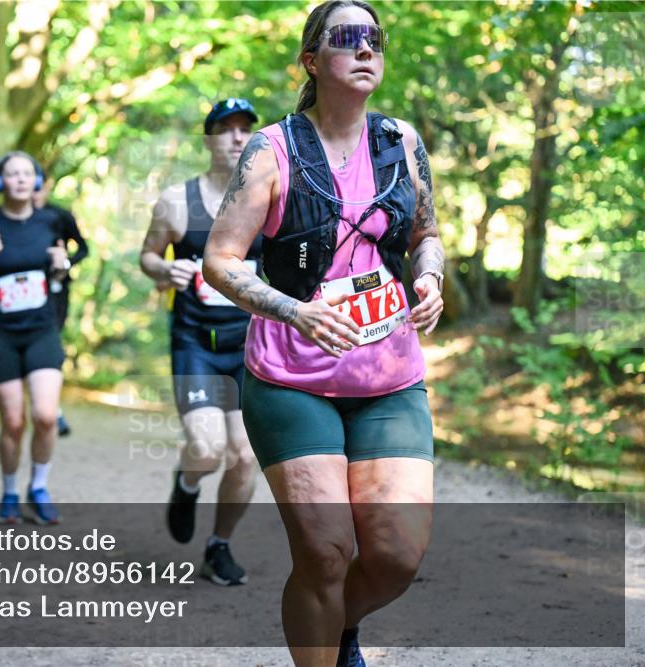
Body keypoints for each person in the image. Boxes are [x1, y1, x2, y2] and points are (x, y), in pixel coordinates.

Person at [201, 2, 445, 665]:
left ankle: (336, 626)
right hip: (291, 378)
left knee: (395, 555)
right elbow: (220, 260)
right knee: (326, 549)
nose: (366, 50)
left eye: (376, 40)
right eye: (348, 39)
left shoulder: (402, 143)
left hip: (389, 377)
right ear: (314, 60)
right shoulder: (272, 150)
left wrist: (430, 280)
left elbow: (425, 236)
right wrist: (294, 310)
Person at [139, 99, 263, 587]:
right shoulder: (175, 200)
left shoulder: (266, 200)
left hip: (248, 346)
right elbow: (148, 256)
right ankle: (187, 482)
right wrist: (165, 269)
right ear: (208, 139)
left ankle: (219, 546)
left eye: (244, 130)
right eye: (225, 129)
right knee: (207, 448)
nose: (236, 137)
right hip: (195, 342)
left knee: (244, 455)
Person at [0, 151, 69, 525]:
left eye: (27, 173)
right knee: (14, 421)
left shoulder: (51, 221)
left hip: (41, 330)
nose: (21, 179)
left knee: (45, 416)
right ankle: (9, 491)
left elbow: (59, 273)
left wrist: (62, 267)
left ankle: (38, 488)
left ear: (36, 181)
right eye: (12, 174)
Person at [33, 182, 89, 436]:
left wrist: (65, 263)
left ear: (46, 186)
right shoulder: (13, 220)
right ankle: (48, 408)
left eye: (37, 185)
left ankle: (50, 408)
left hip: (57, 290)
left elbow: (84, 248)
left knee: (50, 345)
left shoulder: (60, 216)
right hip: (26, 295)